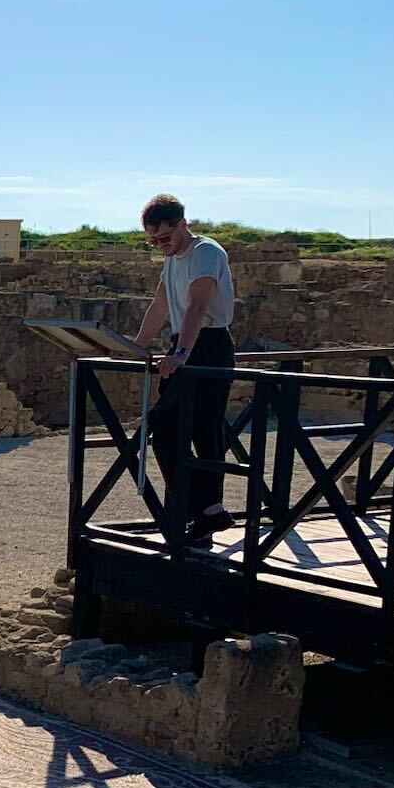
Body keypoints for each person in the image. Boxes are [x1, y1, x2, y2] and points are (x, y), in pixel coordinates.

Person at [133, 195, 237, 542]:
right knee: (165, 429)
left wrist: (179, 353)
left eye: (164, 237)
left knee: (205, 430)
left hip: (207, 344)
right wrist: (137, 345)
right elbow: (160, 305)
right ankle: (205, 512)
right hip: (187, 342)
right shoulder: (172, 260)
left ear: (182, 224)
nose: (160, 245)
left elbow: (197, 306)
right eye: (154, 241)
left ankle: (207, 512)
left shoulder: (206, 252)